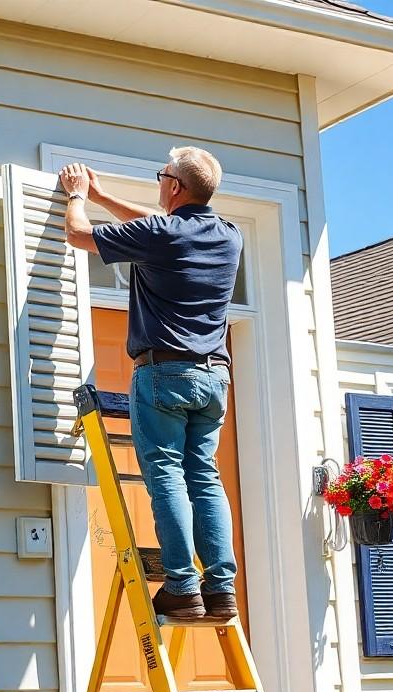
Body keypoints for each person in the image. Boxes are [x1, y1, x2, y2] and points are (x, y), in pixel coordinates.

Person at [58, 148, 242, 620]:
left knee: (166, 477)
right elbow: (159, 225)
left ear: (175, 187)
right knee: (205, 476)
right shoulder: (229, 236)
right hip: (214, 377)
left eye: (163, 176)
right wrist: (104, 195)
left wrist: (78, 197)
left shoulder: (161, 233)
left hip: (164, 374)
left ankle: (182, 585)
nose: (160, 182)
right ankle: (220, 589)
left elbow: (79, 235)